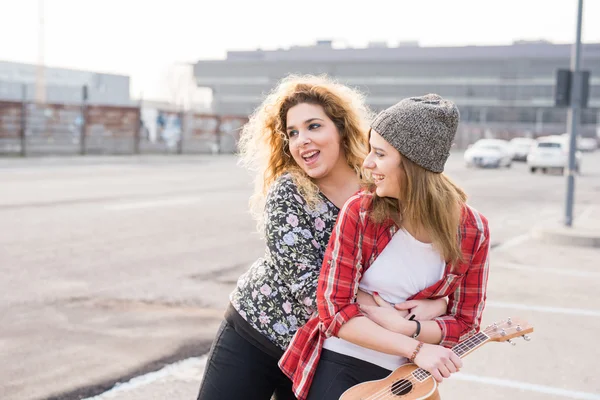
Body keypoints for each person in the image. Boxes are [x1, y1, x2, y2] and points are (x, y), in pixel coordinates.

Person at [197, 74, 425, 400]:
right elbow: (315, 291)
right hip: (257, 335)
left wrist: (435, 301)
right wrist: (388, 313)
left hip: (322, 353)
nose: (302, 139)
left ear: (342, 129)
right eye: (292, 133)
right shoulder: (289, 193)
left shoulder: (380, 194)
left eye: (314, 126)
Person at [280, 94, 491, 400]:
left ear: (413, 163)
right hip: (342, 359)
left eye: (379, 154)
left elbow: (466, 323)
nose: (367, 164)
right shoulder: (361, 211)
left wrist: (410, 328)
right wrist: (417, 346)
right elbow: (334, 311)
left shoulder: (473, 230)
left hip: (408, 375)